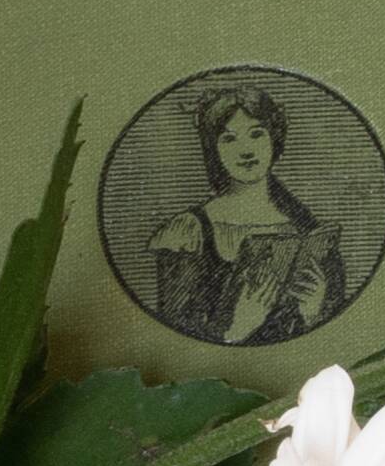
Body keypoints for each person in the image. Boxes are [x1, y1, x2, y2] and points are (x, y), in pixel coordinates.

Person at [144, 82, 348, 345]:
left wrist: (313, 310)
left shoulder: (307, 228)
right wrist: (238, 328)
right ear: (214, 150)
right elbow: (173, 341)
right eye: (229, 139)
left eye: (256, 134)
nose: (246, 150)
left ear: (274, 137)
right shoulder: (188, 231)